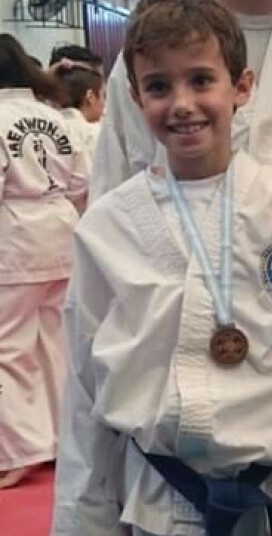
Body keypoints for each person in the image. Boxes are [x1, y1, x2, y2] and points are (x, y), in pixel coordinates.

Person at [51, 2, 272, 535]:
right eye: (159, 86)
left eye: (201, 80)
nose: (182, 104)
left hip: (271, 492)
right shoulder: (107, 228)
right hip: (156, 495)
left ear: (241, 87)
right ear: (135, 98)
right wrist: (84, 520)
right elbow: (85, 388)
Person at [91, 0, 272, 262]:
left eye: (201, 81)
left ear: (242, 86)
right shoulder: (151, 47)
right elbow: (109, 208)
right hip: (173, 286)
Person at [0, 33, 87, 489]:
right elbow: (82, 182)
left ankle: (22, 449)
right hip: (61, 227)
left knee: (8, 349)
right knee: (58, 342)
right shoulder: (55, 117)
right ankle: (62, 436)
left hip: (15, 238)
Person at [54, 63, 105, 168]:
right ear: (90, 97)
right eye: (103, 96)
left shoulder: (47, 127)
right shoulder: (96, 134)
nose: (104, 103)